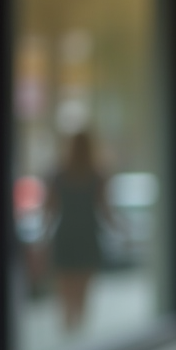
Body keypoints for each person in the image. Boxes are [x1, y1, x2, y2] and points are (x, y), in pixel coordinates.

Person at [44, 129, 116, 332]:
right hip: (86, 237)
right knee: (81, 293)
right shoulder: (96, 175)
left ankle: (69, 332)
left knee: (66, 293)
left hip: (67, 236)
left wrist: (42, 240)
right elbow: (106, 211)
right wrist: (121, 230)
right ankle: (76, 334)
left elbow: (48, 212)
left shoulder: (59, 174)